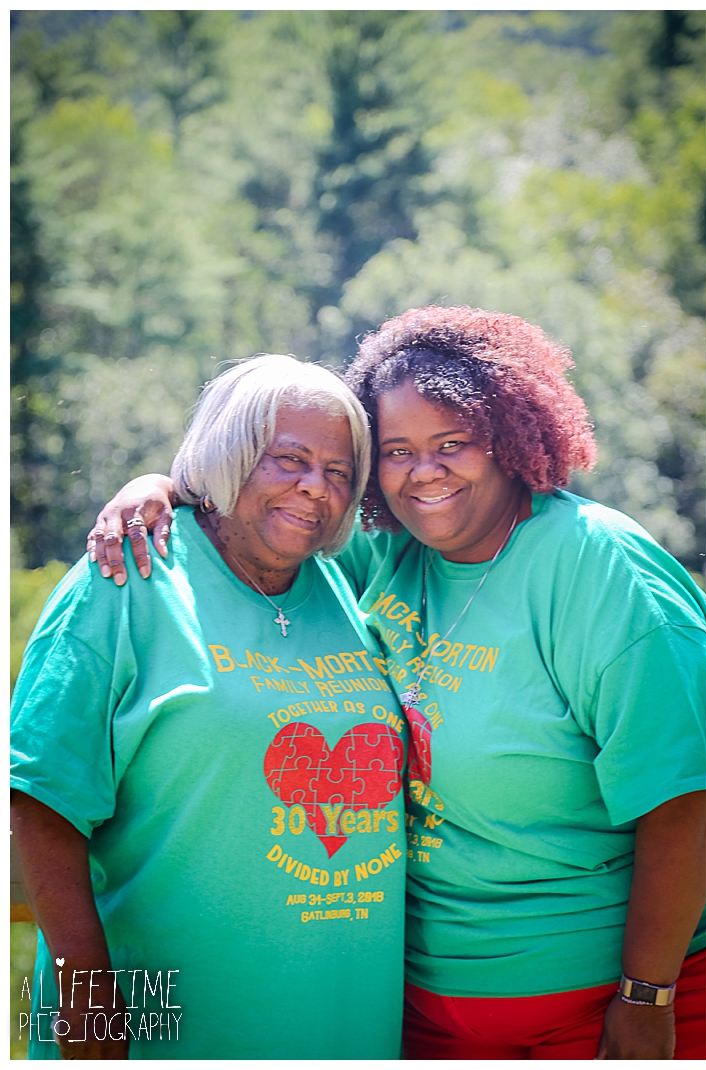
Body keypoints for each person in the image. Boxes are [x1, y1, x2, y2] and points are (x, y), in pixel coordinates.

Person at [86, 306, 706, 1060]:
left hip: (600, 1002)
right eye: (397, 451)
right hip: (417, 1010)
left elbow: (686, 797)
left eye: (454, 444)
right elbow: (270, 519)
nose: (424, 472)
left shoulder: (599, 568)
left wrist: (646, 997)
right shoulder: (387, 560)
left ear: (512, 440)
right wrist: (163, 488)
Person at [10, 355, 408, 1060]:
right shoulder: (127, 576)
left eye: (340, 472)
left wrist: (160, 482)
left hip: (347, 1022)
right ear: (232, 452)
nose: (315, 487)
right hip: (167, 1024)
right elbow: (38, 800)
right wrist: (86, 997)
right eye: (289, 459)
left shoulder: (345, 580)